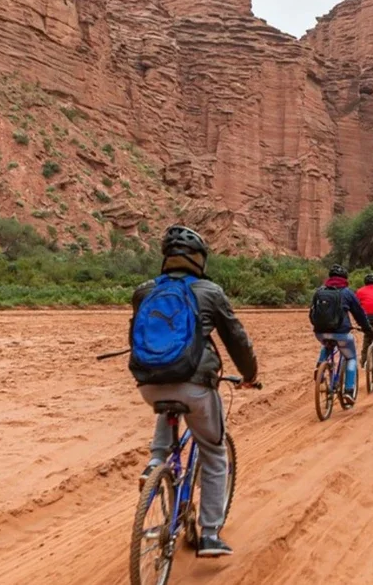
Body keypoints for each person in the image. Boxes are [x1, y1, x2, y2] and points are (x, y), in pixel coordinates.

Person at [128, 225, 259, 559]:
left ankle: (155, 464)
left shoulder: (144, 291)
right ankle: (210, 533)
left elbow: (137, 337)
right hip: (196, 384)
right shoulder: (210, 291)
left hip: (148, 383)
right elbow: (236, 339)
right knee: (215, 454)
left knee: (167, 404)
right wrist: (248, 374)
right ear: (199, 259)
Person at [309, 264, 373, 407]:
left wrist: (317, 327)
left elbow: (312, 312)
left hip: (320, 332)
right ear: (345, 278)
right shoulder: (348, 293)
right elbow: (359, 314)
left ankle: (319, 366)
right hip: (342, 334)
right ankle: (349, 391)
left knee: (327, 343)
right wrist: (367, 328)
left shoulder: (319, 291)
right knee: (350, 358)